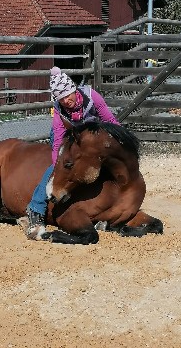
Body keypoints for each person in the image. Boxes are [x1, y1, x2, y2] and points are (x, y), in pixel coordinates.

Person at [26, 66, 120, 239]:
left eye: (67, 95)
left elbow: (110, 120)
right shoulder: (59, 109)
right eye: (60, 98)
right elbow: (57, 141)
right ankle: (35, 209)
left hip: (90, 136)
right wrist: (58, 162)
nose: (65, 101)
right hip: (67, 135)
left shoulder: (92, 97)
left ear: (74, 90)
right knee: (58, 168)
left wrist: (121, 140)